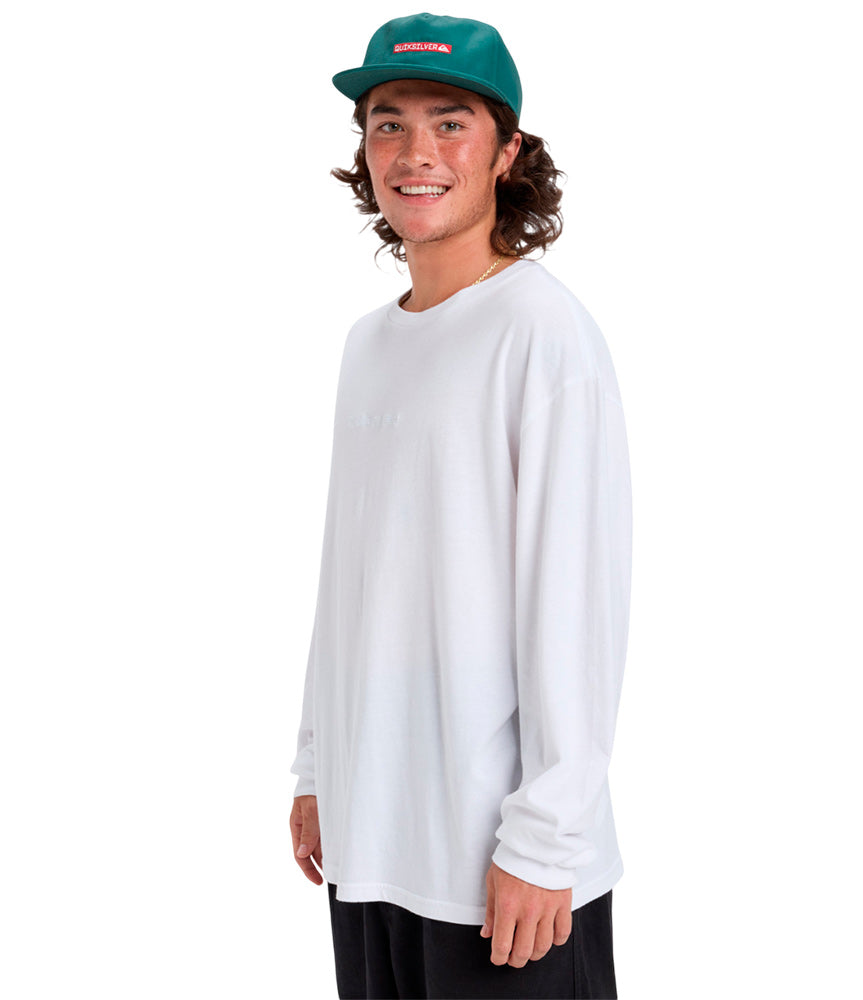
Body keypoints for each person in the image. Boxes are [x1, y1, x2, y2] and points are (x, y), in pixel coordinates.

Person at [288, 13, 633, 999]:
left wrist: (546, 838)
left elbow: (576, 600)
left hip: (502, 868)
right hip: (373, 842)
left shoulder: (541, 333)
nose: (416, 153)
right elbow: (352, 572)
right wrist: (318, 768)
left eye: (451, 122)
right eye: (388, 124)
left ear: (507, 150)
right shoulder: (369, 343)